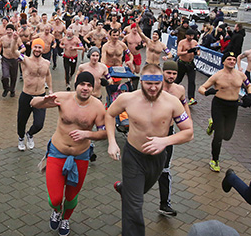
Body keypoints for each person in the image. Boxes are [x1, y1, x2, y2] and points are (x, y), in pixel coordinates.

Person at [106, 64, 193, 236]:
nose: (153, 88)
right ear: (141, 82)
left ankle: (125, 189)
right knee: (134, 206)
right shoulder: (127, 99)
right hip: (133, 157)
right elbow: (109, 114)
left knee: (137, 192)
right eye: (148, 84)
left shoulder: (172, 102)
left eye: (157, 84)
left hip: (158, 158)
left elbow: (189, 132)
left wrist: (165, 141)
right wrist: (111, 142)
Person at [31, 71, 106, 236]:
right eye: (82, 84)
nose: (85, 88)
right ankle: (56, 210)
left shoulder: (98, 107)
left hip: (81, 156)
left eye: (89, 85)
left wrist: (88, 134)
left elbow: (104, 133)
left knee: (71, 197)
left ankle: (65, 218)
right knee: (55, 198)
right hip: (57, 152)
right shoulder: (63, 98)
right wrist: (43, 100)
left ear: (93, 88)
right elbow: (33, 102)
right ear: (76, 85)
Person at [198, 51, 251, 172]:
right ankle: (214, 160)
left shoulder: (240, 75)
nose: (232, 61)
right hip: (219, 105)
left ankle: (212, 124)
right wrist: (207, 92)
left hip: (233, 106)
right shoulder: (217, 75)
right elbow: (201, 88)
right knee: (219, 135)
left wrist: (250, 95)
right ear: (223, 61)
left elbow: (249, 85)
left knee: (227, 136)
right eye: (229, 59)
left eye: (234, 60)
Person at [157, 61, 192, 217]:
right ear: (163, 72)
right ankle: (127, 189)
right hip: (151, 132)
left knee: (164, 169)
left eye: (174, 74)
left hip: (169, 133)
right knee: (142, 167)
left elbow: (184, 105)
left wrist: (188, 123)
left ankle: (165, 204)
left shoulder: (180, 89)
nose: (171, 76)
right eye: (168, 73)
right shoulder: (155, 86)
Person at [11, 37, 52, 151]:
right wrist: (15, 40)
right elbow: (14, 52)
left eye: (40, 47)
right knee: (21, 120)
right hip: (26, 95)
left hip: (41, 96)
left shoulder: (47, 63)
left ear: (42, 49)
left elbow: (48, 75)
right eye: (35, 47)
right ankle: (21, 138)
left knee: (39, 124)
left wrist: (51, 90)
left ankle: (30, 134)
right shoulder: (25, 60)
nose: (37, 49)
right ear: (32, 47)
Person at [0, 24, 25, 97]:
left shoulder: (17, 38)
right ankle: (6, 88)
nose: (9, 31)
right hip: (5, 59)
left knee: (13, 77)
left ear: (13, 31)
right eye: (8, 30)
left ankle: (12, 90)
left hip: (14, 60)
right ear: (5, 30)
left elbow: (23, 47)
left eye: (10, 30)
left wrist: (20, 52)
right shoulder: (2, 38)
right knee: (5, 76)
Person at [175, 29, 200, 106]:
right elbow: (178, 53)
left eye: (192, 35)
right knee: (178, 79)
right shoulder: (182, 42)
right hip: (182, 63)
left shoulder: (195, 42)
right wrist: (187, 51)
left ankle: (191, 98)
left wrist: (196, 52)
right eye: (190, 35)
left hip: (191, 64)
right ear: (186, 35)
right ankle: (168, 89)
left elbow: (198, 52)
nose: (191, 37)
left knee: (192, 81)